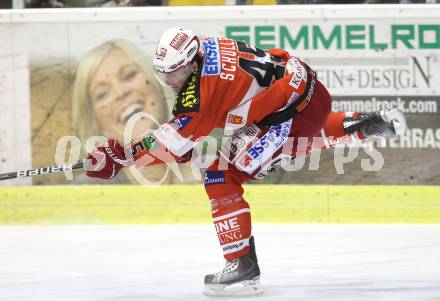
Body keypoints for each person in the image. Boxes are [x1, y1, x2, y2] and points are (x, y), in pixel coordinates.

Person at [84, 28, 407, 295]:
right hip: (310, 91)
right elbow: (189, 135)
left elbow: (174, 144)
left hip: (290, 112)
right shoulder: (208, 45)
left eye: (178, 73)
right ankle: (363, 125)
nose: (171, 81)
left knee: (220, 174)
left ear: (193, 62)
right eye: (165, 74)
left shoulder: (201, 91)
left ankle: (242, 267)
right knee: (291, 140)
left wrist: (121, 156)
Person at [72, 39, 195, 184]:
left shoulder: (216, 167)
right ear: (96, 121)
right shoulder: (89, 192)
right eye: (103, 94)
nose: (120, 93)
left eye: (129, 75)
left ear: (158, 83)